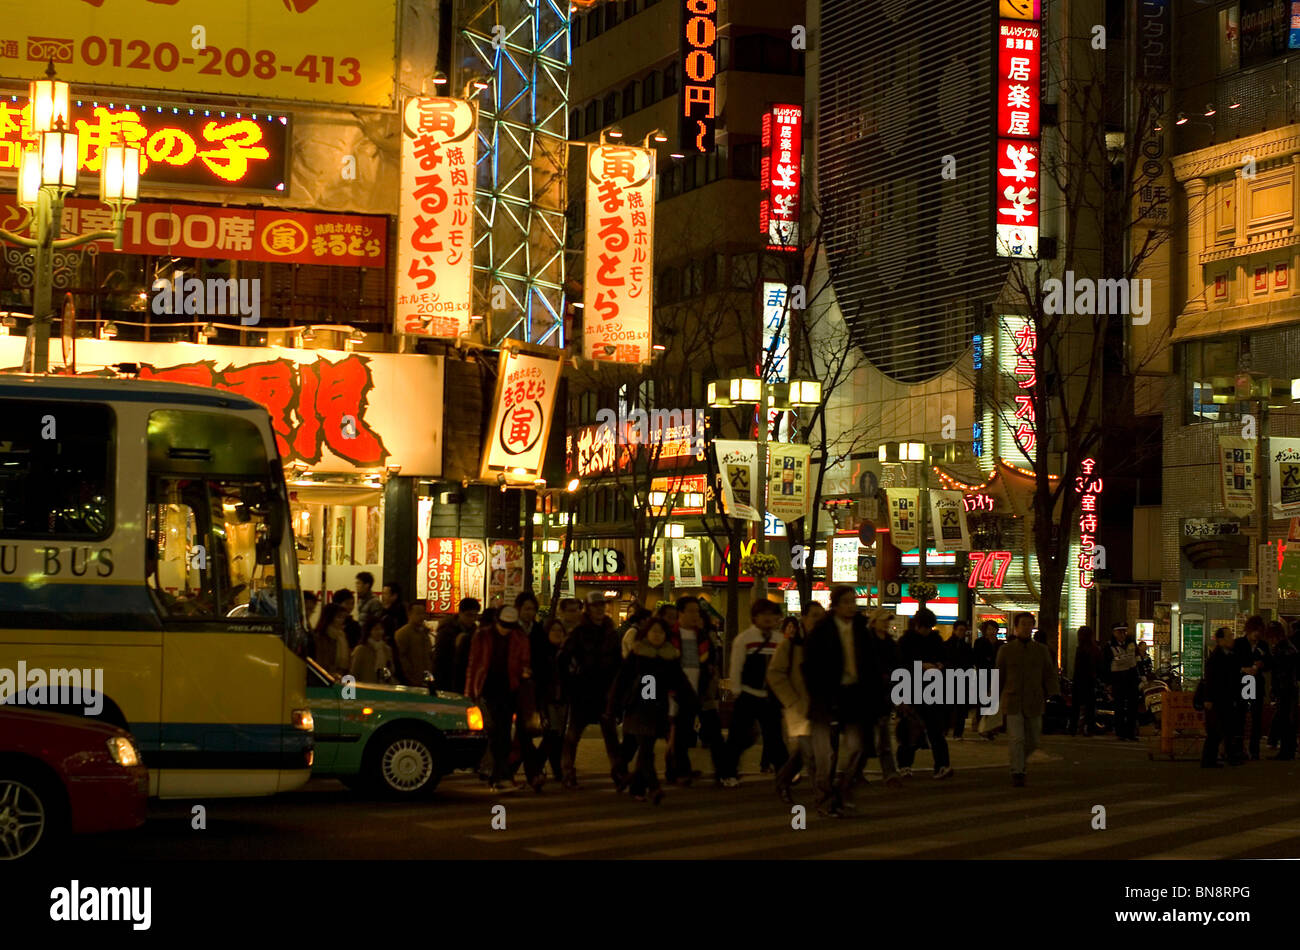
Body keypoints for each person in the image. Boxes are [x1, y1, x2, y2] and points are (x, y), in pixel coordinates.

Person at [804, 585, 876, 818]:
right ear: (835, 605)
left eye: (853, 601)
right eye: (846, 602)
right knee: (825, 755)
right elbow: (811, 666)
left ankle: (843, 792)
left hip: (854, 696)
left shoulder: (861, 629)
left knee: (856, 748)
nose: (851, 606)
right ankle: (825, 799)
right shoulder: (822, 630)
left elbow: (870, 664)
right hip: (825, 698)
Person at [607, 618, 697, 804]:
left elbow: (680, 683)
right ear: (646, 633)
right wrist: (613, 706)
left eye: (661, 632)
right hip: (639, 707)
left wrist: (690, 702)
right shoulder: (638, 654)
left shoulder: (669, 656)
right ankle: (653, 787)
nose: (657, 635)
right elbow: (621, 681)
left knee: (631, 748)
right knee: (645, 749)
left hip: (657, 709)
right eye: (654, 631)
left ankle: (631, 782)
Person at [466, 606, 539, 792]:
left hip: (512, 688)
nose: (505, 629)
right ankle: (499, 776)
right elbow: (474, 664)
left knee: (511, 733)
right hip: (489, 688)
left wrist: (525, 671)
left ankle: (502, 775)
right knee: (499, 733)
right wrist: (470, 693)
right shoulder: (482, 636)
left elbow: (525, 660)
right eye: (503, 625)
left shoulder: (519, 637)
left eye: (509, 626)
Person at [561, 592, 628, 790]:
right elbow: (563, 659)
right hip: (582, 691)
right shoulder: (579, 632)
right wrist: (572, 682)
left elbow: (618, 663)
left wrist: (617, 690)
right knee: (573, 735)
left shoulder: (611, 632)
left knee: (610, 735)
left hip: (605, 691)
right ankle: (567, 772)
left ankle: (619, 772)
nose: (599, 609)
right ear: (588, 609)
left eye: (602, 605)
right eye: (595, 606)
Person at [718, 600, 788, 785]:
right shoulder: (744, 639)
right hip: (748, 694)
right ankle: (728, 773)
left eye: (772, 614)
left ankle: (784, 773)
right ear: (754, 617)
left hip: (771, 696)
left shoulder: (780, 640)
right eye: (763, 614)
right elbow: (736, 666)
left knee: (774, 737)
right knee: (737, 736)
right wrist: (736, 690)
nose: (768, 618)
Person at [666, 596, 725, 786]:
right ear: (680, 613)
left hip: (702, 691)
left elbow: (712, 662)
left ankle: (723, 771)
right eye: (690, 611)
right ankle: (681, 771)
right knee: (682, 735)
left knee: (714, 733)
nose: (695, 615)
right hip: (680, 692)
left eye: (697, 611)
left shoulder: (703, 636)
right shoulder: (671, 636)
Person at [996, 611, 1059, 786]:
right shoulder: (1006, 650)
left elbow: (1049, 673)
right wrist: (992, 697)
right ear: (1016, 627)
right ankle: (1018, 770)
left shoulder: (1041, 650)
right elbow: (999, 675)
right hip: (1013, 700)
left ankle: (1019, 761)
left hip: (1034, 700)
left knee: (1034, 739)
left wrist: (1054, 691)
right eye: (1023, 624)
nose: (1026, 627)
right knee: (1017, 738)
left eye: (1029, 624)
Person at [897, 607, 953, 779]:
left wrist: (939, 665)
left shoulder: (935, 640)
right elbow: (900, 665)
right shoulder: (906, 641)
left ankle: (942, 765)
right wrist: (921, 666)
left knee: (936, 730)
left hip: (932, 689)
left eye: (930, 627)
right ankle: (904, 765)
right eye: (925, 627)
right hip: (911, 688)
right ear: (918, 625)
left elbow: (946, 659)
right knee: (910, 729)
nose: (927, 631)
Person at [768, 615, 811, 803]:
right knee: (807, 747)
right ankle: (785, 780)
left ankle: (785, 780)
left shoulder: (824, 644)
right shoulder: (790, 646)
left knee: (816, 748)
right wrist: (791, 700)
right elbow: (775, 674)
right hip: (799, 704)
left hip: (820, 704)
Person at [865, 607, 902, 788]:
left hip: (884, 694)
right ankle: (856, 771)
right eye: (884, 620)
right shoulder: (867, 640)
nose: (887, 624)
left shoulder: (889, 643)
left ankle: (889, 772)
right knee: (865, 737)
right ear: (875, 622)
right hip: (868, 693)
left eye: (888, 620)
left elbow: (895, 665)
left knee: (883, 735)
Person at [533, 617, 570, 780]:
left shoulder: (565, 653)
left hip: (562, 698)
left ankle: (557, 770)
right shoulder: (543, 652)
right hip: (546, 699)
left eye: (560, 630)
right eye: (554, 630)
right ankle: (535, 768)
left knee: (558, 737)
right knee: (552, 735)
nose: (557, 633)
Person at [1201, 627, 1242, 767]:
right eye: (1229, 636)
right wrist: (1208, 699)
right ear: (1220, 640)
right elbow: (1210, 679)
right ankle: (1209, 760)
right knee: (1215, 731)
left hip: (1228, 697)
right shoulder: (1215, 657)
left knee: (1228, 728)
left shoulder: (1231, 655)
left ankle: (1230, 756)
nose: (1232, 639)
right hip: (1217, 699)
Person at [1233, 616, 1269, 760]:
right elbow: (1233, 664)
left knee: (1256, 718)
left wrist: (1262, 665)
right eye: (1254, 631)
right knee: (1240, 717)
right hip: (1242, 683)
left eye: (1259, 632)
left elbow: (1269, 662)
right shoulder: (1239, 644)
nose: (1257, 635)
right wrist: (1243, 669)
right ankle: (1239, 748)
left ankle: (1254, 750)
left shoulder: (1263, 645)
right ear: (1248, 630)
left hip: (1256, 684)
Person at [1102, 621, 1139, 740]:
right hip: (1118, 680)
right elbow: (1106, 665)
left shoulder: (1131, 643)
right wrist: (1108, 683)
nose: (1122, 634)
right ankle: (1120, 732)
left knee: (1133, 707)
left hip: (1131, 679)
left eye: (1124, 631)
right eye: (1120, 632)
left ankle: (1131, 732)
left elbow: (1137, 659)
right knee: (1119, 707)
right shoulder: (1109, 646)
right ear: (1114, 633)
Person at [434, 597, 480, 693]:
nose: (472, 619)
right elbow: (441, 659)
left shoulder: (474, 631)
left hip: (465, 679)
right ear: (460, 613)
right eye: (469, 615)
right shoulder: (446, 630)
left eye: (475, 616)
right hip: (447, 679)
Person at [1267, 620, 1297, 761]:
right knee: (1286, 720)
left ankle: (1286, 751)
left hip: (1284, 688)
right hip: (1288, 687)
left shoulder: (1282, 648)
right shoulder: (1288, 647)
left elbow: (1278, 668)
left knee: (1285, 720)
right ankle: (1287, 750)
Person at [944, 620, 974, 739]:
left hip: (960, 679)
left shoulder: (964, 647)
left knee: (959, 708)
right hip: (951, 678)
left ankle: (956, 732)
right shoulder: (948, 645)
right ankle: (948, 730)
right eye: (960, 630)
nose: (962, 632)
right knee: (949, 707)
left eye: (963, 630)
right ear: (955, 630)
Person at [1070, 625, 1101, 737]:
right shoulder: (1094, 649)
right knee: (1090, 706)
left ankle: (1074, 728)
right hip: (1090, 681)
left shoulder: (1081, 649)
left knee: (1076, 706)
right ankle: (1090, 728)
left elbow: (1078, 668)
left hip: (1080, 681)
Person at [394, 601, 434, 687]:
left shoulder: (425, 633)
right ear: (409, 614)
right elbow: (401, 659)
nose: (422, 617)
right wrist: (410, 677)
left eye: (423, 613)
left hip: (426, 680)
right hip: (411, 682)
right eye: (418, 614)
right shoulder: (402, 634)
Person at [973, 620, 1002, 738]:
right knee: (983, 700)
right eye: (989, 629)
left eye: (994, 629)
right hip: (983, 674)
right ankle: (982, 726)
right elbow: (976, 658)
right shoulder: (979, 642)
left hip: (996, 674)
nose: (992, 632)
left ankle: (991, 727)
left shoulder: (1000, 644)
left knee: (994, 701)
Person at [350, 616, 394, 684]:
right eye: (376, 629)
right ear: (369, 631)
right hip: (365, 687)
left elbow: (389, 670)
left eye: (381, 629)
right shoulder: (361, 650)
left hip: (383, 686)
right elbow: (354, 672)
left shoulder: (386, 649)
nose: (379, 632)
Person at [313, 604, 352, 677]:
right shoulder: (321, 638)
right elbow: (321, 662)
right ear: (329, 618)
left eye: (343, 618)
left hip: (341, 677)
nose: (342, 621)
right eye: (339, 617)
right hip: (325, 678)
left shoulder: (342, 636)